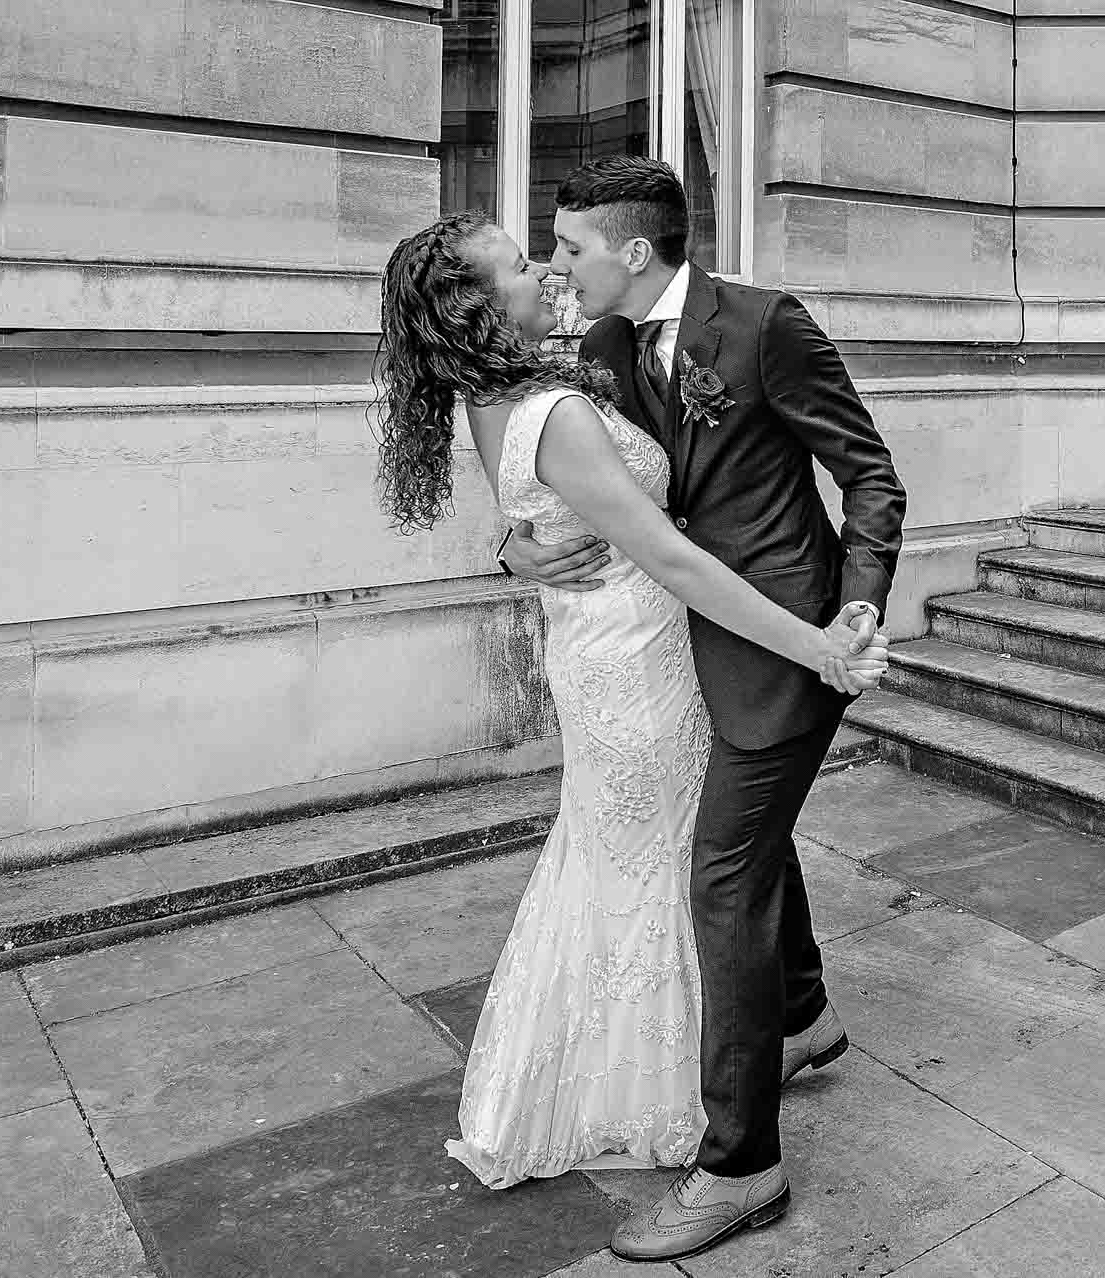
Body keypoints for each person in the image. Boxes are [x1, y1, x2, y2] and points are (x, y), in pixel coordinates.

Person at [369, 209, 894, 1229]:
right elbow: (671, 555)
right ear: (477, 307)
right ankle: (720, 1134)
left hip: (628, 649)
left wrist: (515, 551)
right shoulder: (559, 404)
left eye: (558, 250)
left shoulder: (511, 393)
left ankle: (799, 1014)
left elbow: (545, 517)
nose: (546, 271)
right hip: (645, 659)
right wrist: (818, 645)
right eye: (526, 263)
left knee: (692, 849)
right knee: (686, 870)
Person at [497, 157, 907, 1262]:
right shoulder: (603, 348)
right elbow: (588, 490)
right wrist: (518, 548)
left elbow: (869, 475)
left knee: (721, 879)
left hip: (791, 647)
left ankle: (742, 1167)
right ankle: (804, 1015)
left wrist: (859, 606)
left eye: (571, 244)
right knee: (750, 848)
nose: (558, 262)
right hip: (669, 654)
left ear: (634, 251)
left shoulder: (767, 325)